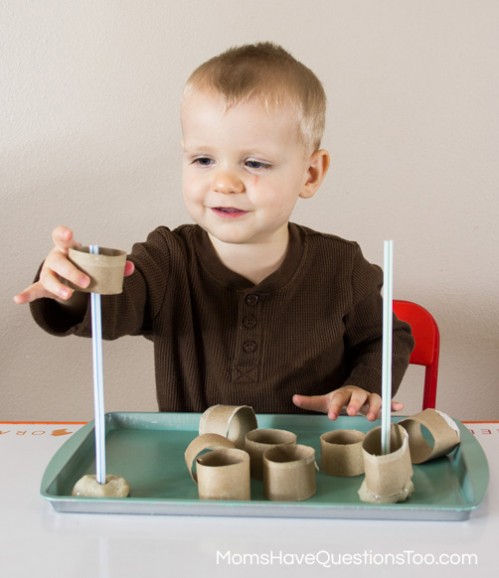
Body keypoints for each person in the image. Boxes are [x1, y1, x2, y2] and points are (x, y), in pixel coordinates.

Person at [14, 42, 414, 420]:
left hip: (315, 466)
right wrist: (72, 286)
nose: (224, 183)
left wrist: (363, 386)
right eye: (204, 159)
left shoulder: (341, 266)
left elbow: (386, 338)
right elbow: (112, 305)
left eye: (254, 164)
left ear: (310, 174)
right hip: (198, 473)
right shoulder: (167, 259)